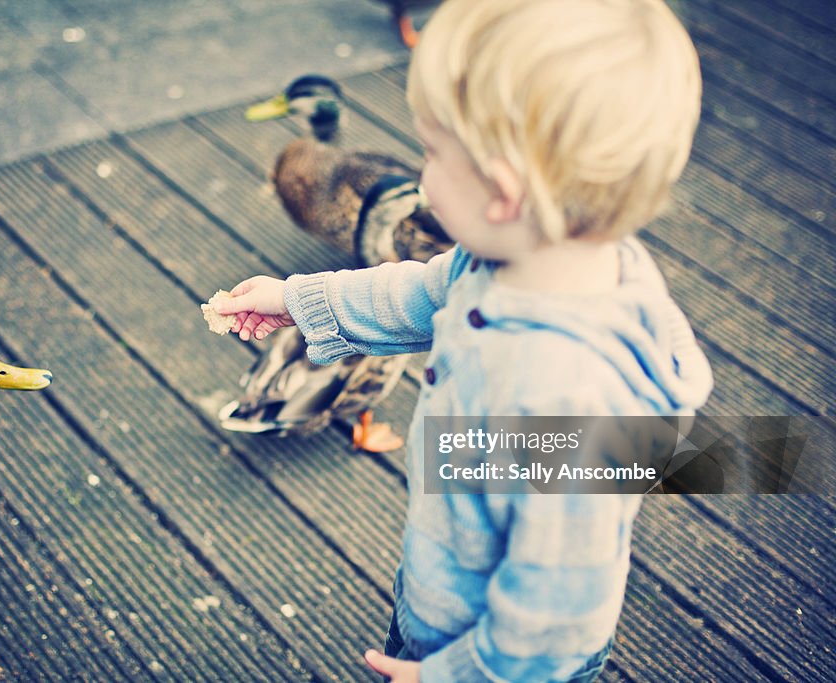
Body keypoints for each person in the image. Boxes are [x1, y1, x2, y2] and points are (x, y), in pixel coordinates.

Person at [212, 0, 713, 679]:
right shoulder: (516, 258)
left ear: (504, 193)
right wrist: (303, 300)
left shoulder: (559, 393)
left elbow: (555, 612)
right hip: (445, 576)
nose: (420, 176)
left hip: (486, 648)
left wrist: (452, 673)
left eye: (433, 153)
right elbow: (422, 291)